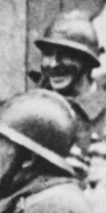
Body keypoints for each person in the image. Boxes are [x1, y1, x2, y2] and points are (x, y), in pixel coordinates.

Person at [35, 11, 106, 153]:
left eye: (66, 54)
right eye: (48, 53)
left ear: (89, 60)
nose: (53, 64)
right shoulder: (32, 108)